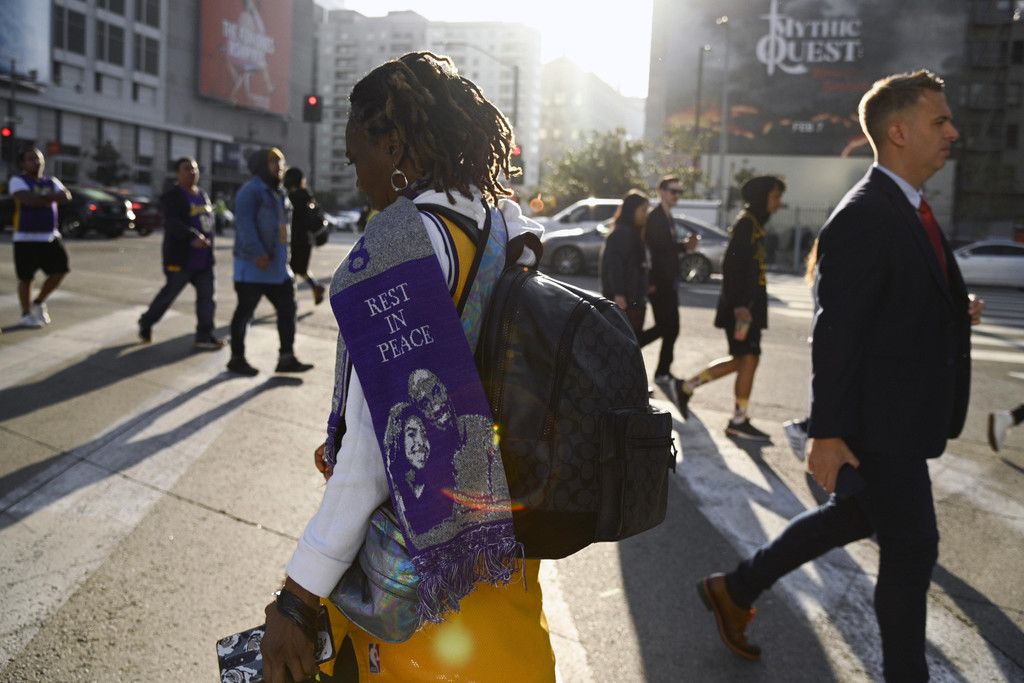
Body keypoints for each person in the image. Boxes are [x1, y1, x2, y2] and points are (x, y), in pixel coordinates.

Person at [260, 51, 554, 683]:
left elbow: (378, 453)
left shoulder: (404, 242)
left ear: (392, 145)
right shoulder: (500, 224)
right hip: (499, 555)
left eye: (356, 155)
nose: (356, 174)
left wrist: (298, 595)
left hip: (421, 589)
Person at [697, 70, 985, 682]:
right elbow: (837, 331)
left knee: (854, 517)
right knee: (912, 549)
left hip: (895, 416)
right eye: (940, 121)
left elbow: (889, 304)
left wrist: (951, 309)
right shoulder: (867, 213)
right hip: (880, 423)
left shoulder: (905, 206)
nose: (952, 132)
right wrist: (826, 433)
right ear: (899, 132)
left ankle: (736, 588)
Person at [674, 175, 786, 441]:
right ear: (761, 197)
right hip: (742, 309)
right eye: (775, 197)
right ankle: (737, 419)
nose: (778, 203)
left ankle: (689, 387)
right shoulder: (746, 225)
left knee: (744, 359)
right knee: (748, 358)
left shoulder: (754, 224)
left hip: (749, 307)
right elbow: (731, 267)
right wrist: (739, 306)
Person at [227, 147, 313, 376]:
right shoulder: (250, 191)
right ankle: (236, 358)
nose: (279, 166)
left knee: (288, 309)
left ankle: (286, 358)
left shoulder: (279, 193)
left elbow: (283, 229)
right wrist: (258, 253)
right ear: (260, 166)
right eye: (273, 161)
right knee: (245, 313)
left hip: (278, 269)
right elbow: (244, 225)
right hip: (253, 267)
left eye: (281, 161)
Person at [137, 157, 224, 350]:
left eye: (194, 169)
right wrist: (192, 236)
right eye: (187, 169)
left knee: (207, 299)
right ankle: (147, 321)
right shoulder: (172, 196)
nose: (192, 172)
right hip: (182, 259)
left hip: (204, 260)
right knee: (168, 296)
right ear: (178, 173)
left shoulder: (203, 195)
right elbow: (172, 222)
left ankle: (204, 336)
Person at [9, 146, 71, 328]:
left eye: (38, 158)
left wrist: (41, 196)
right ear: (22, 163)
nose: (36, 162)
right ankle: (26, 314)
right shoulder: (17, 180)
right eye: (31, 159)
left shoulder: (51, 180)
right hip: (25, 238)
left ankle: (38, 302)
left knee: (60, 271)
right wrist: (51, 196)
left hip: (50, 237)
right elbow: (29, 200)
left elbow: (66, 196)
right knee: (26, 278)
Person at [638, 176, 687, 382]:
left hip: (669, 281)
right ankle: (631, 346)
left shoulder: (667, 216)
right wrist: (652, 282)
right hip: (659, 283)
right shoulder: (655, 217)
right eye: (673, 191)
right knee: (666, 326)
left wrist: (684, 247)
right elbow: (655, 251)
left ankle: (663, 371)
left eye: (679, 192)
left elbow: (666, 248)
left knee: (671, 327)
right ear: (661, 192)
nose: (676, 196)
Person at [600, 189, 650, 336]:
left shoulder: (633, 232)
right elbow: (614, 265)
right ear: (631, 210)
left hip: (634, 298)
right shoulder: (621, 233)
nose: (646, 214)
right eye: (643, 210)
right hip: (626, 300)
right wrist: (619, 293)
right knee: (626, 342)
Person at [283, 167, 327, 305]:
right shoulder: (307, 195)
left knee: (292, 270)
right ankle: (315, 288)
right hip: (306, 240)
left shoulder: (290, 198)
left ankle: (290, 301)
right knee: (300, 269)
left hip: (295, 240)